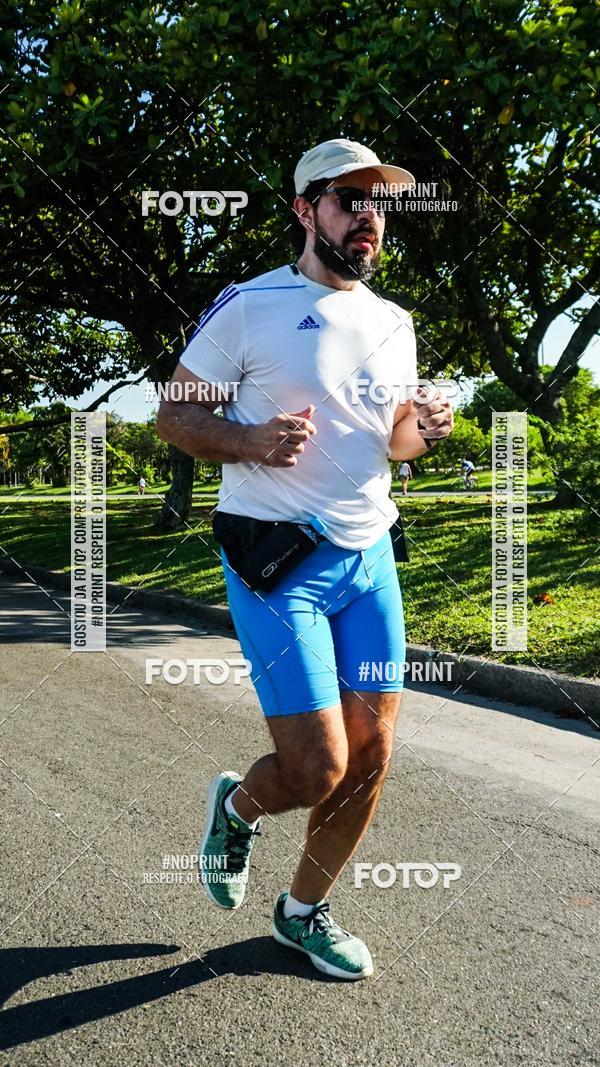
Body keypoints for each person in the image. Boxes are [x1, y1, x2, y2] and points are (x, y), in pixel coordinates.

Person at [157, 138, 454, 980]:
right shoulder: (251, 306)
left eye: (378, 202)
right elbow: (174, 417)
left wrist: (423, 434)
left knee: (372, 756)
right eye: (347, 199)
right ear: (304, 210)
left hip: (369, 560)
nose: (368, 215)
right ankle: (240, 806)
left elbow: (391, 443)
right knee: (317, 766)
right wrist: (248, 438)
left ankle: (302, 913)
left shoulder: (395, 322)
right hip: (277, 563)